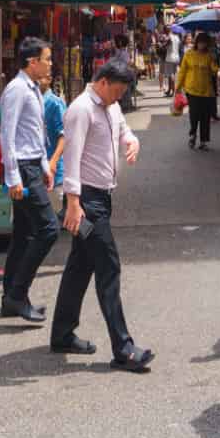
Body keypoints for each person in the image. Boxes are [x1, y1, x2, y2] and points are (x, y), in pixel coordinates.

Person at [50, 58, 153, 372]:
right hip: (86, 201)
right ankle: (123, 348)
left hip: (101, 198)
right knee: (108, 266)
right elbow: (71, 157)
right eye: (117, 90)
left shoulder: (111, 107)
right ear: (104, 81)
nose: (119, 97)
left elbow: (123, 131)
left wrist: (132, 142)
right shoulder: (80, 110)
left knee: (80, 267)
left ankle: (62, 334)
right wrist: (72, 203)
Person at [0, 38, 57, 323]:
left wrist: (45, 164)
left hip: (32, 164)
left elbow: (35, 132)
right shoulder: (16, 90)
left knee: (23, 235)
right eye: (46, 58)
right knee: (48, 229)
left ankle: (11, 297)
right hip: (22, 168)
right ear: (32, 62)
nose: (50, 63)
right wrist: (13, 177)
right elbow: (6, 136)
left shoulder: (32, 88)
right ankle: (18, 295)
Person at [177, 33, 219, 150]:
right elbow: (182, 71)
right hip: (191, 90)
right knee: (194, 114)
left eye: (204, 43)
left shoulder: (209, 56)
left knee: (205, 116)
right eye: (200, 42)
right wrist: (178, 87)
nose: (202, 45)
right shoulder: (189, 54)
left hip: (206, 91)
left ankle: (203, 141)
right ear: (197, 43)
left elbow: (214, 69)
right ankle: (193, 134)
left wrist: (216, 67)